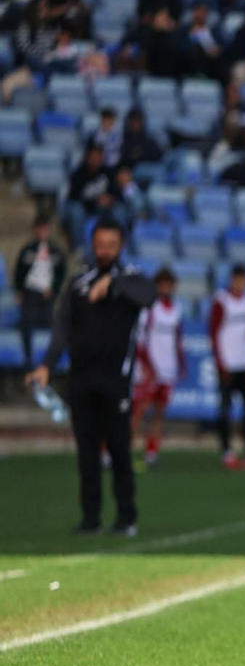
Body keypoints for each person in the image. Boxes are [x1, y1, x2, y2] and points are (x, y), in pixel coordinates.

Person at [25, 221, 155, 536]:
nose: (105, 250)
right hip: (81, 380)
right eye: (100, 243)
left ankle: (126, 518)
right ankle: (90, 519)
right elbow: (62, 327)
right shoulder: (78, 282)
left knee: (120, 451)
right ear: (93, 245)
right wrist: (46, 365)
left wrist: (112, 284)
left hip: (115, 381)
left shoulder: (132, 280)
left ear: (120, 245)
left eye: (111, 243)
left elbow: (149, 297)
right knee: (86, 454)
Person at [209, 265, 245, 470]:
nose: (242, 284)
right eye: (239, 279)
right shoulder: (221, 300)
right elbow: (213, 332)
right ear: (232, 279)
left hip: (244, 361)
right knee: (225, 409)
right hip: (227, 363)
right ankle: (227, 451)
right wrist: (219, 362)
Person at [130, 267, 184, 467]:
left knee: (159, 413)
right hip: (149, 369)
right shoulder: (149, 308)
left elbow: (178, 337)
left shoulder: (177, 308)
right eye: (162, 284)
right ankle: (120, 454)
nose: (166, 288)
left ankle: (152, 452)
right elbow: (140, 340)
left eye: (169, 284)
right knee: (138, 411)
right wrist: (146, 364)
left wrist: (181, 363)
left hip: (168, 368)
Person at [12, 216, 66, 370]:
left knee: (53, 324)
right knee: (26, 323)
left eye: (45, 228)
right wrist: (19, 290)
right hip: (30, 292)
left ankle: (50, 361)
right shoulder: (28, 249)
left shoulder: (56, 251)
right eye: (40, 228)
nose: (42, 231)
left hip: (47, 294)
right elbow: (19, 271)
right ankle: (28, 359)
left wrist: (54, 289)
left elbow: (61, 272)